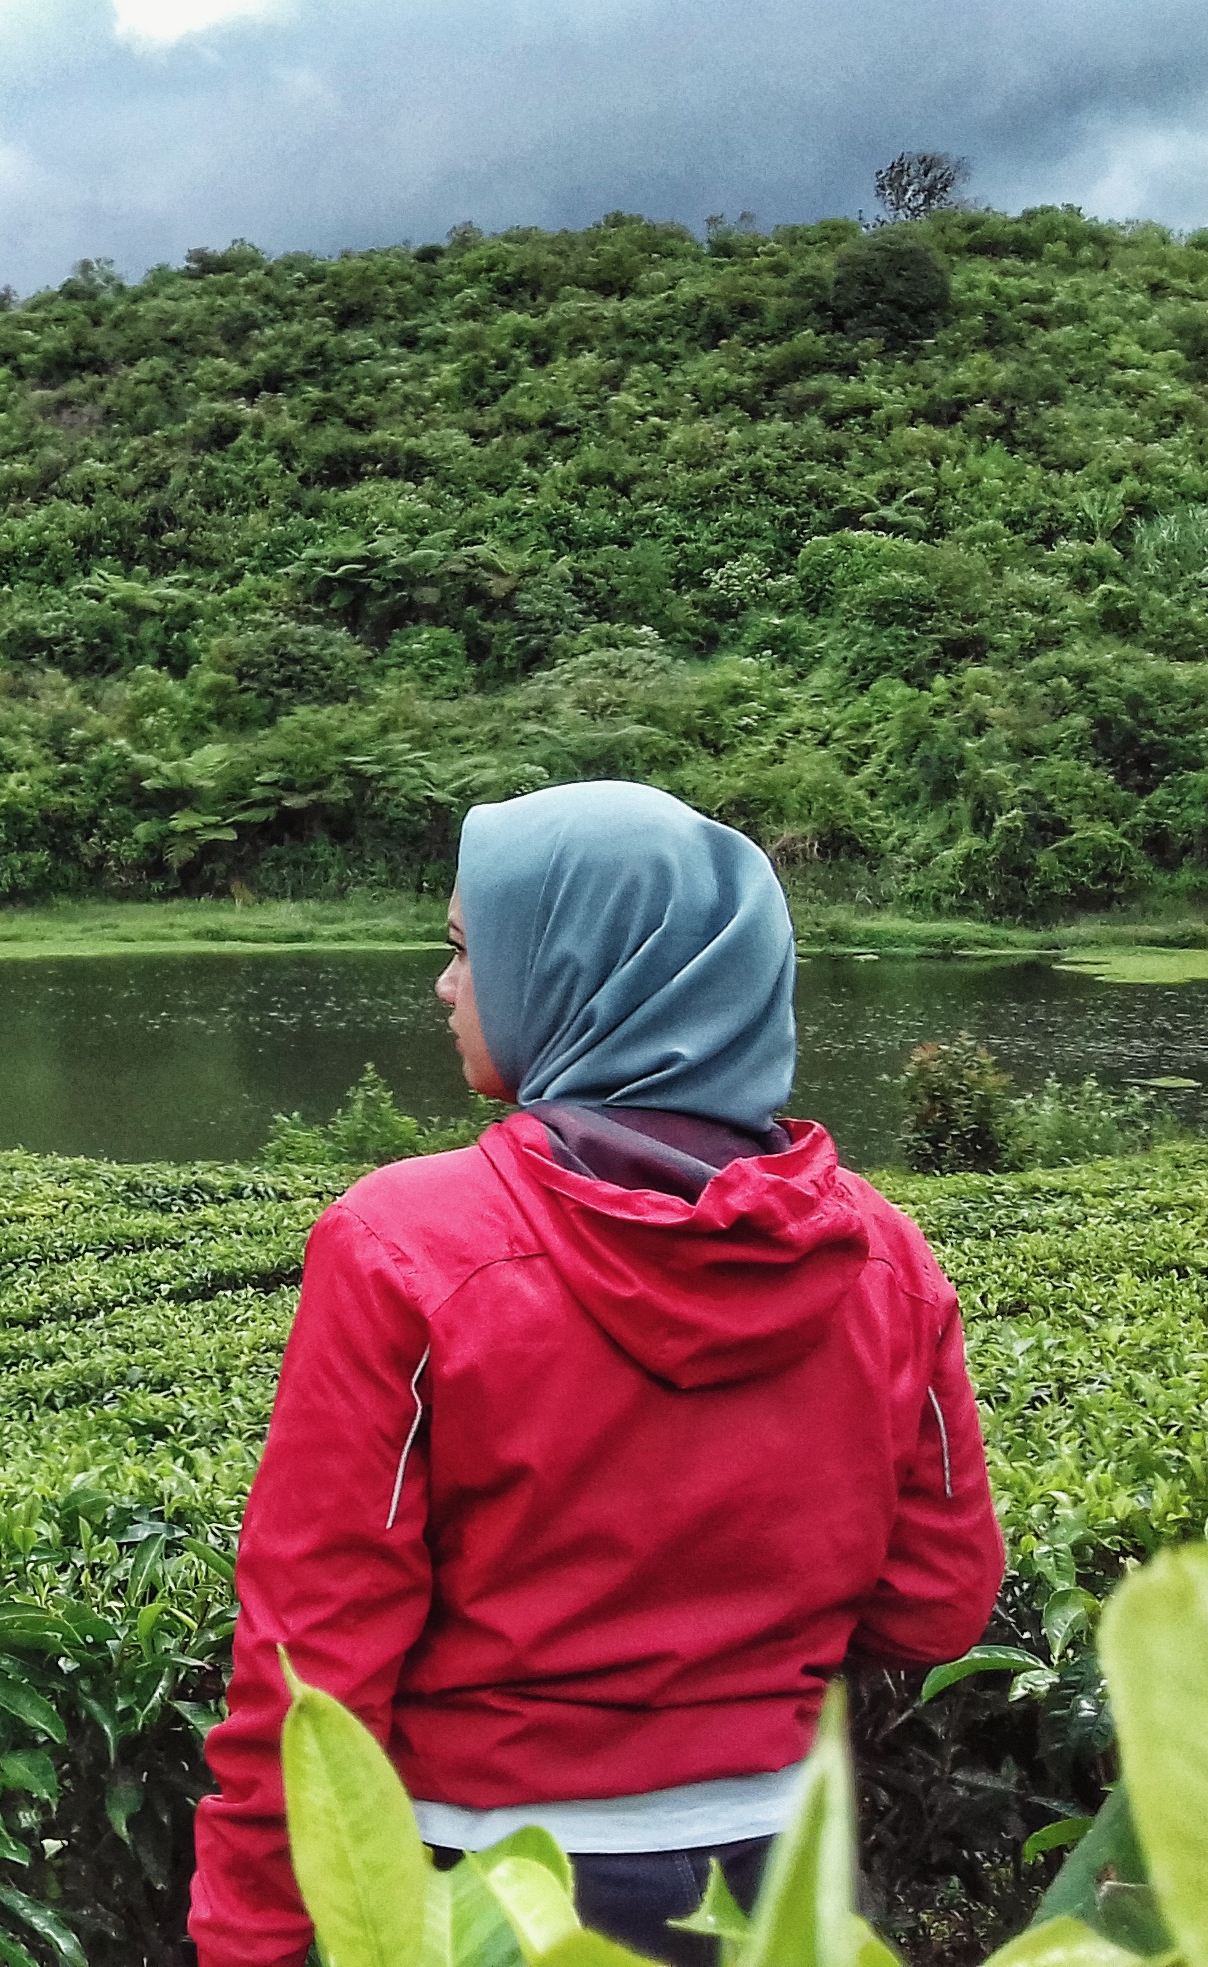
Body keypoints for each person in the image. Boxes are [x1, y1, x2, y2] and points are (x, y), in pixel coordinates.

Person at [187, 781, 1006, 1967]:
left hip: (493, 1895)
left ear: (570, 970)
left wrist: (249, 1939)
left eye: (467, 949)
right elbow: (939, 1602)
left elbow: (310, 1658)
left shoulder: (401, 1243)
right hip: (786, 1886)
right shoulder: (882, 1254)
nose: (445, 986)